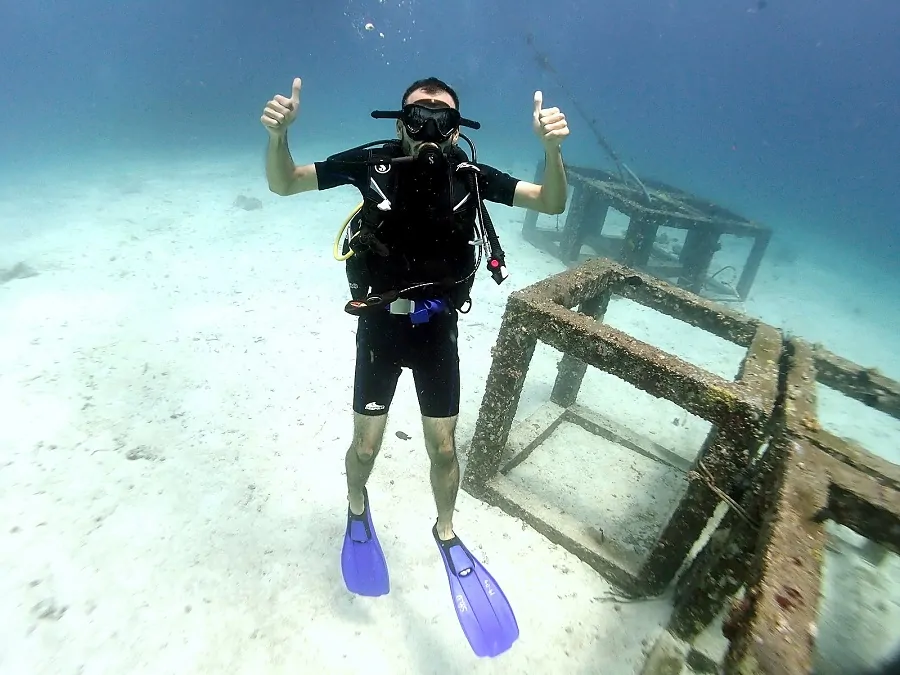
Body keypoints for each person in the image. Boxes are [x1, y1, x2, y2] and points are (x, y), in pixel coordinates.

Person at [260, 76, 569, 657]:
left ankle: (446, 532)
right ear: (399, 120)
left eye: (443, 119)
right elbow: (284, 184)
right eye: (419, 116)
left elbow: (550, 201)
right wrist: (278, 139)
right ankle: (357, 508)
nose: (430, 129)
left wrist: (552, 151)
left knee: (445, 449)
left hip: (436, 332)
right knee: (367, 448)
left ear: (458, 129)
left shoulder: (471, 177)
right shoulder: (371, 163)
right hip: (379, 327)